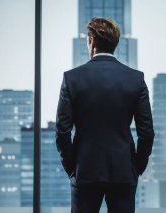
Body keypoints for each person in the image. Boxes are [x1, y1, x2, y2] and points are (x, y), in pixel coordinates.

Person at [56, 17, 154, 213]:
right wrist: (136, 168)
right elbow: (147, 133)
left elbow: (62, 131)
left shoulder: (72, 78)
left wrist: (72, 168)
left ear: (91, 40)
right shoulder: (136, 79)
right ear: (115, 43)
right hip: (123, 171)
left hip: (85, 170)